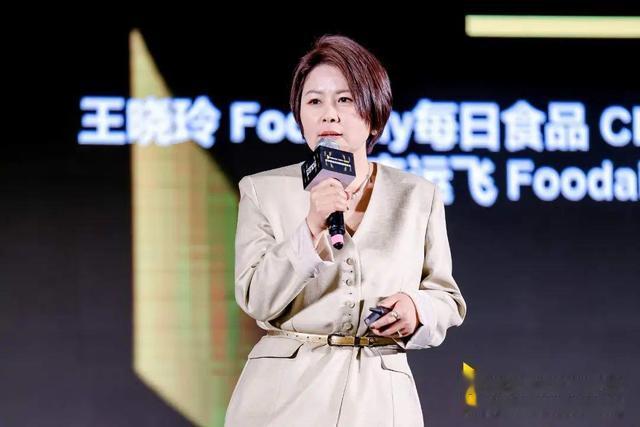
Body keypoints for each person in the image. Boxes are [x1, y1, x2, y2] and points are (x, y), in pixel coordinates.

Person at [224, 34, 466, 427]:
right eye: (314, 102)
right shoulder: (263, 191)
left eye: (345, 100)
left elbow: (446, 298)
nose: (329, 115)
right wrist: (310, 227)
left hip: (379, 396)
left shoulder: (417, 195)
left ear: (373, 114)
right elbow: (256, 299)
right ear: (299, 116)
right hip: (282, 397)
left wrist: (416, 310)